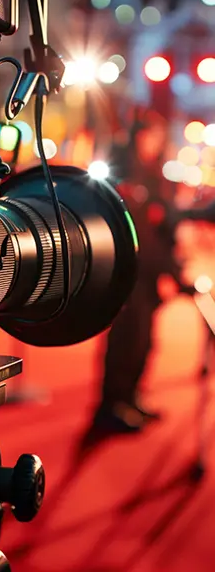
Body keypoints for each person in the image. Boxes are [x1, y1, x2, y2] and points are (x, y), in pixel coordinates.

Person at [92, 111, 188, 433]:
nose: (154, 143)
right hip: (127, 272)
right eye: (150, 136)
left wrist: (172, 269)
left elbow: (164, 226)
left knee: (144, 341)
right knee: (124, 340)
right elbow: (138, 230)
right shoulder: (124, 172)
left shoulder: (153, 175)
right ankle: (111, 405)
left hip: (148, 276)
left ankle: (130, 398)